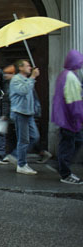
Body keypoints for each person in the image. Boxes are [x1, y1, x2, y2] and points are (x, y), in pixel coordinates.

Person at [51, 50, 83, 185]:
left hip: (65, 117)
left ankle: (62, 165)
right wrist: (79, 116)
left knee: (74, 141)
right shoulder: (71, 77)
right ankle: (65, 174)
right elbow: (74, 101)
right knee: (69, 144)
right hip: (70, 119)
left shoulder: (64, 74)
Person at [9, 59, 41, 176]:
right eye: (27, 66)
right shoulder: (16, 79)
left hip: (29, 113)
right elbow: (23, 91)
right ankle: (21, 165)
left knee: (35, 137)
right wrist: (32, 77)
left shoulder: (26, 79)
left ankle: (16, 156)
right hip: (20, 113)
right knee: (23, 140)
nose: (30, 68)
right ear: (20, 68)